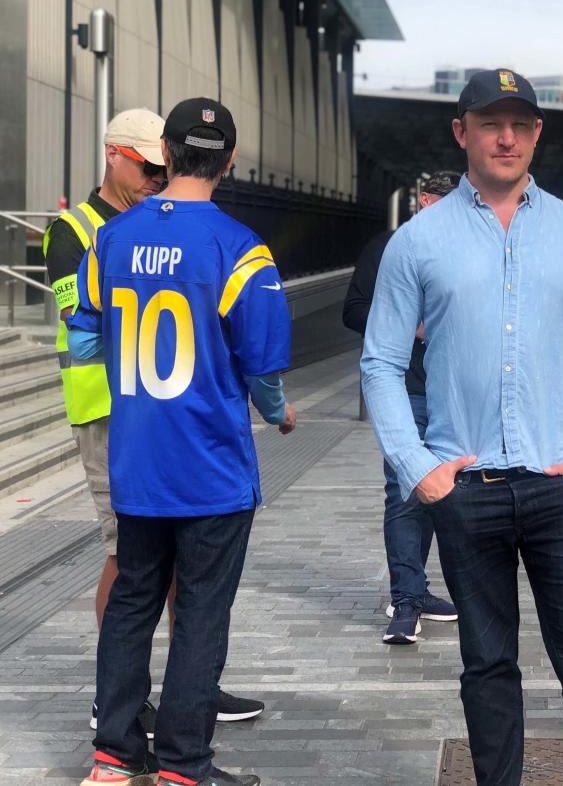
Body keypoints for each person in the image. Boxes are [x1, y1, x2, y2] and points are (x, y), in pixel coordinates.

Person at [360, 69, 563, 786]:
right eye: (490, 122)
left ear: (539, 133)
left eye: (520, 122)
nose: (506, 136)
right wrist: (417, 465)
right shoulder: (418, 242)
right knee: (487, 664)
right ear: (462, 132)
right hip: (468, 486)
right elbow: (381, 365)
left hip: (562, 485)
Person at [72, 98, 296, 786]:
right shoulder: (239, 248)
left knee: (133, 601)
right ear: (229, 160)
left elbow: (84, 334)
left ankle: (112, 756)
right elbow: (262, 365)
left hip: (137, 461)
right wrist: (279, 414)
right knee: (200, 613)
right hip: (211, 468)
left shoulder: (108, 240)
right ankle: (183, 766)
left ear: (166, 152)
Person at [42, 109, 264, 740]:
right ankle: (116, 702)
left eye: (162, 168)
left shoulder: (149, 225)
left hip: (151, 411)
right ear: (115, 155)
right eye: (146, 167)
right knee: (129, 557)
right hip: (108, 411)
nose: (155, 177)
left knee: (172, 562)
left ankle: (186, 689)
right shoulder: (76, 231)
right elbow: (80, 330)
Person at [343, 169, 461, 645]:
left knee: (441, 496)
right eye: (439, 198)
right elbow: (352, 309)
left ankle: (419, 589)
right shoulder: (389, 247)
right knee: (403, 492)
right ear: (422, 199)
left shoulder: (472, 250)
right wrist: (405, 323)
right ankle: (407, 599)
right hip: (407, 390)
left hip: (457, 396)